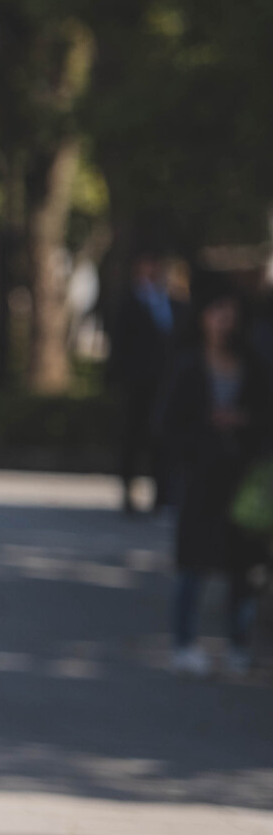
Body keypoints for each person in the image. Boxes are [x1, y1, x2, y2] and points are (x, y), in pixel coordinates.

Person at [159, 288, 271, 678]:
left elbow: (264, 416)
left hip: (240, 478)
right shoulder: (189, 364)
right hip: (200, 476)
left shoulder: (251, 365)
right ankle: (184, 642)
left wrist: (241, 422)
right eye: (217, 310)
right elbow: (170, 423)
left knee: (243, 565)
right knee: (192, 563)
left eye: (231, 311)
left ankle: (238, 643)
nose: (225, 318)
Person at [110, 253, 186, 513]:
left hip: (166, 383)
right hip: (138, 384)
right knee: (133, 439)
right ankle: (129, 492)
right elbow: (119, 344)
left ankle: (161, 494)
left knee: (162, 439)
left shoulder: (173, 301)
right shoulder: (129, 301)